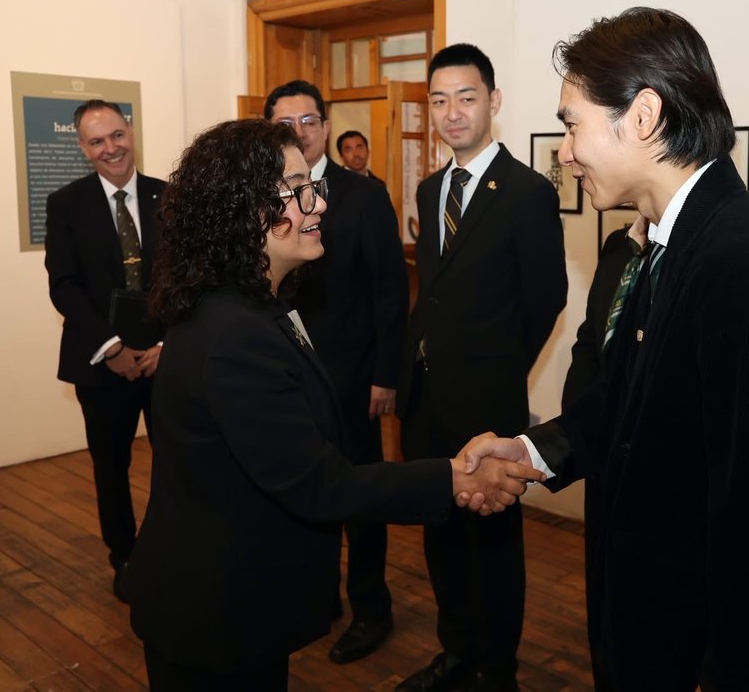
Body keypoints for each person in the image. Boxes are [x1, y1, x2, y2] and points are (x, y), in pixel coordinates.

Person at [461, 7, 749, 690]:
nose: (564, 150)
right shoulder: (675, 244)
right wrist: (531, 452)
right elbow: (633, 402)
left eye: (573, 123)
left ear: (642, 117)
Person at [125, 118, 541, 691]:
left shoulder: (252, 307)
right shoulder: (235, 333)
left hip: (230, 600)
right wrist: (451, 478)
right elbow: (319, 483)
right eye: (297, 191)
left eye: (313, 185)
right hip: (213, 613)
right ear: (244, 211)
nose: (317, 203)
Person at [396, 44, 568, 692]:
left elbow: (544, 297)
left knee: (493, 545)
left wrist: (497, 367)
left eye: (465, 97)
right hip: (427, 400)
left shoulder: (526, 191)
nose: (451, 113)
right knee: (441, 536)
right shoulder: (430, 187)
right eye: (438, 100)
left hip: (487, 400)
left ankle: (498, 670)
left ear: (493, 102)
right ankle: (456, 652)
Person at [265, 81, 409, 664]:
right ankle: (316, 596)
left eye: (307, 119)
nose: (298, 130)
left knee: (362, 497)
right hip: (286, 375)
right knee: (303, 489)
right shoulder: (264, 195)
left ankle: (371, 606)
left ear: (324, 126)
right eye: (284, 122)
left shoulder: (362, 194)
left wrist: (385, 374)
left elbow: (389, 291)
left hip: (351, 378)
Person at [44, 99, 164, 603]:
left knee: (177, 461)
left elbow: (189, 278)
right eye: (97, 141)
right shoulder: (66, 204)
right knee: (110, 468)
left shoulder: (169, 196)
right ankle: (126, 557)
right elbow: (64, 286)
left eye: (116, 135)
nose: (110, 148)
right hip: (101, 363)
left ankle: (170, 549)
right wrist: (111, 346)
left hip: (164, 361)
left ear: (130, 132)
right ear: (82, 147)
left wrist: (165, 345)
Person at [559, 215, 643, 692]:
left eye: (575, 133)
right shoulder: (618, 248)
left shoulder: (693, 255)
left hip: (650, 474)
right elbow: (590, 344)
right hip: (601, 457)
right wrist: (572, 438)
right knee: (604, 598)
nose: (568, 156)